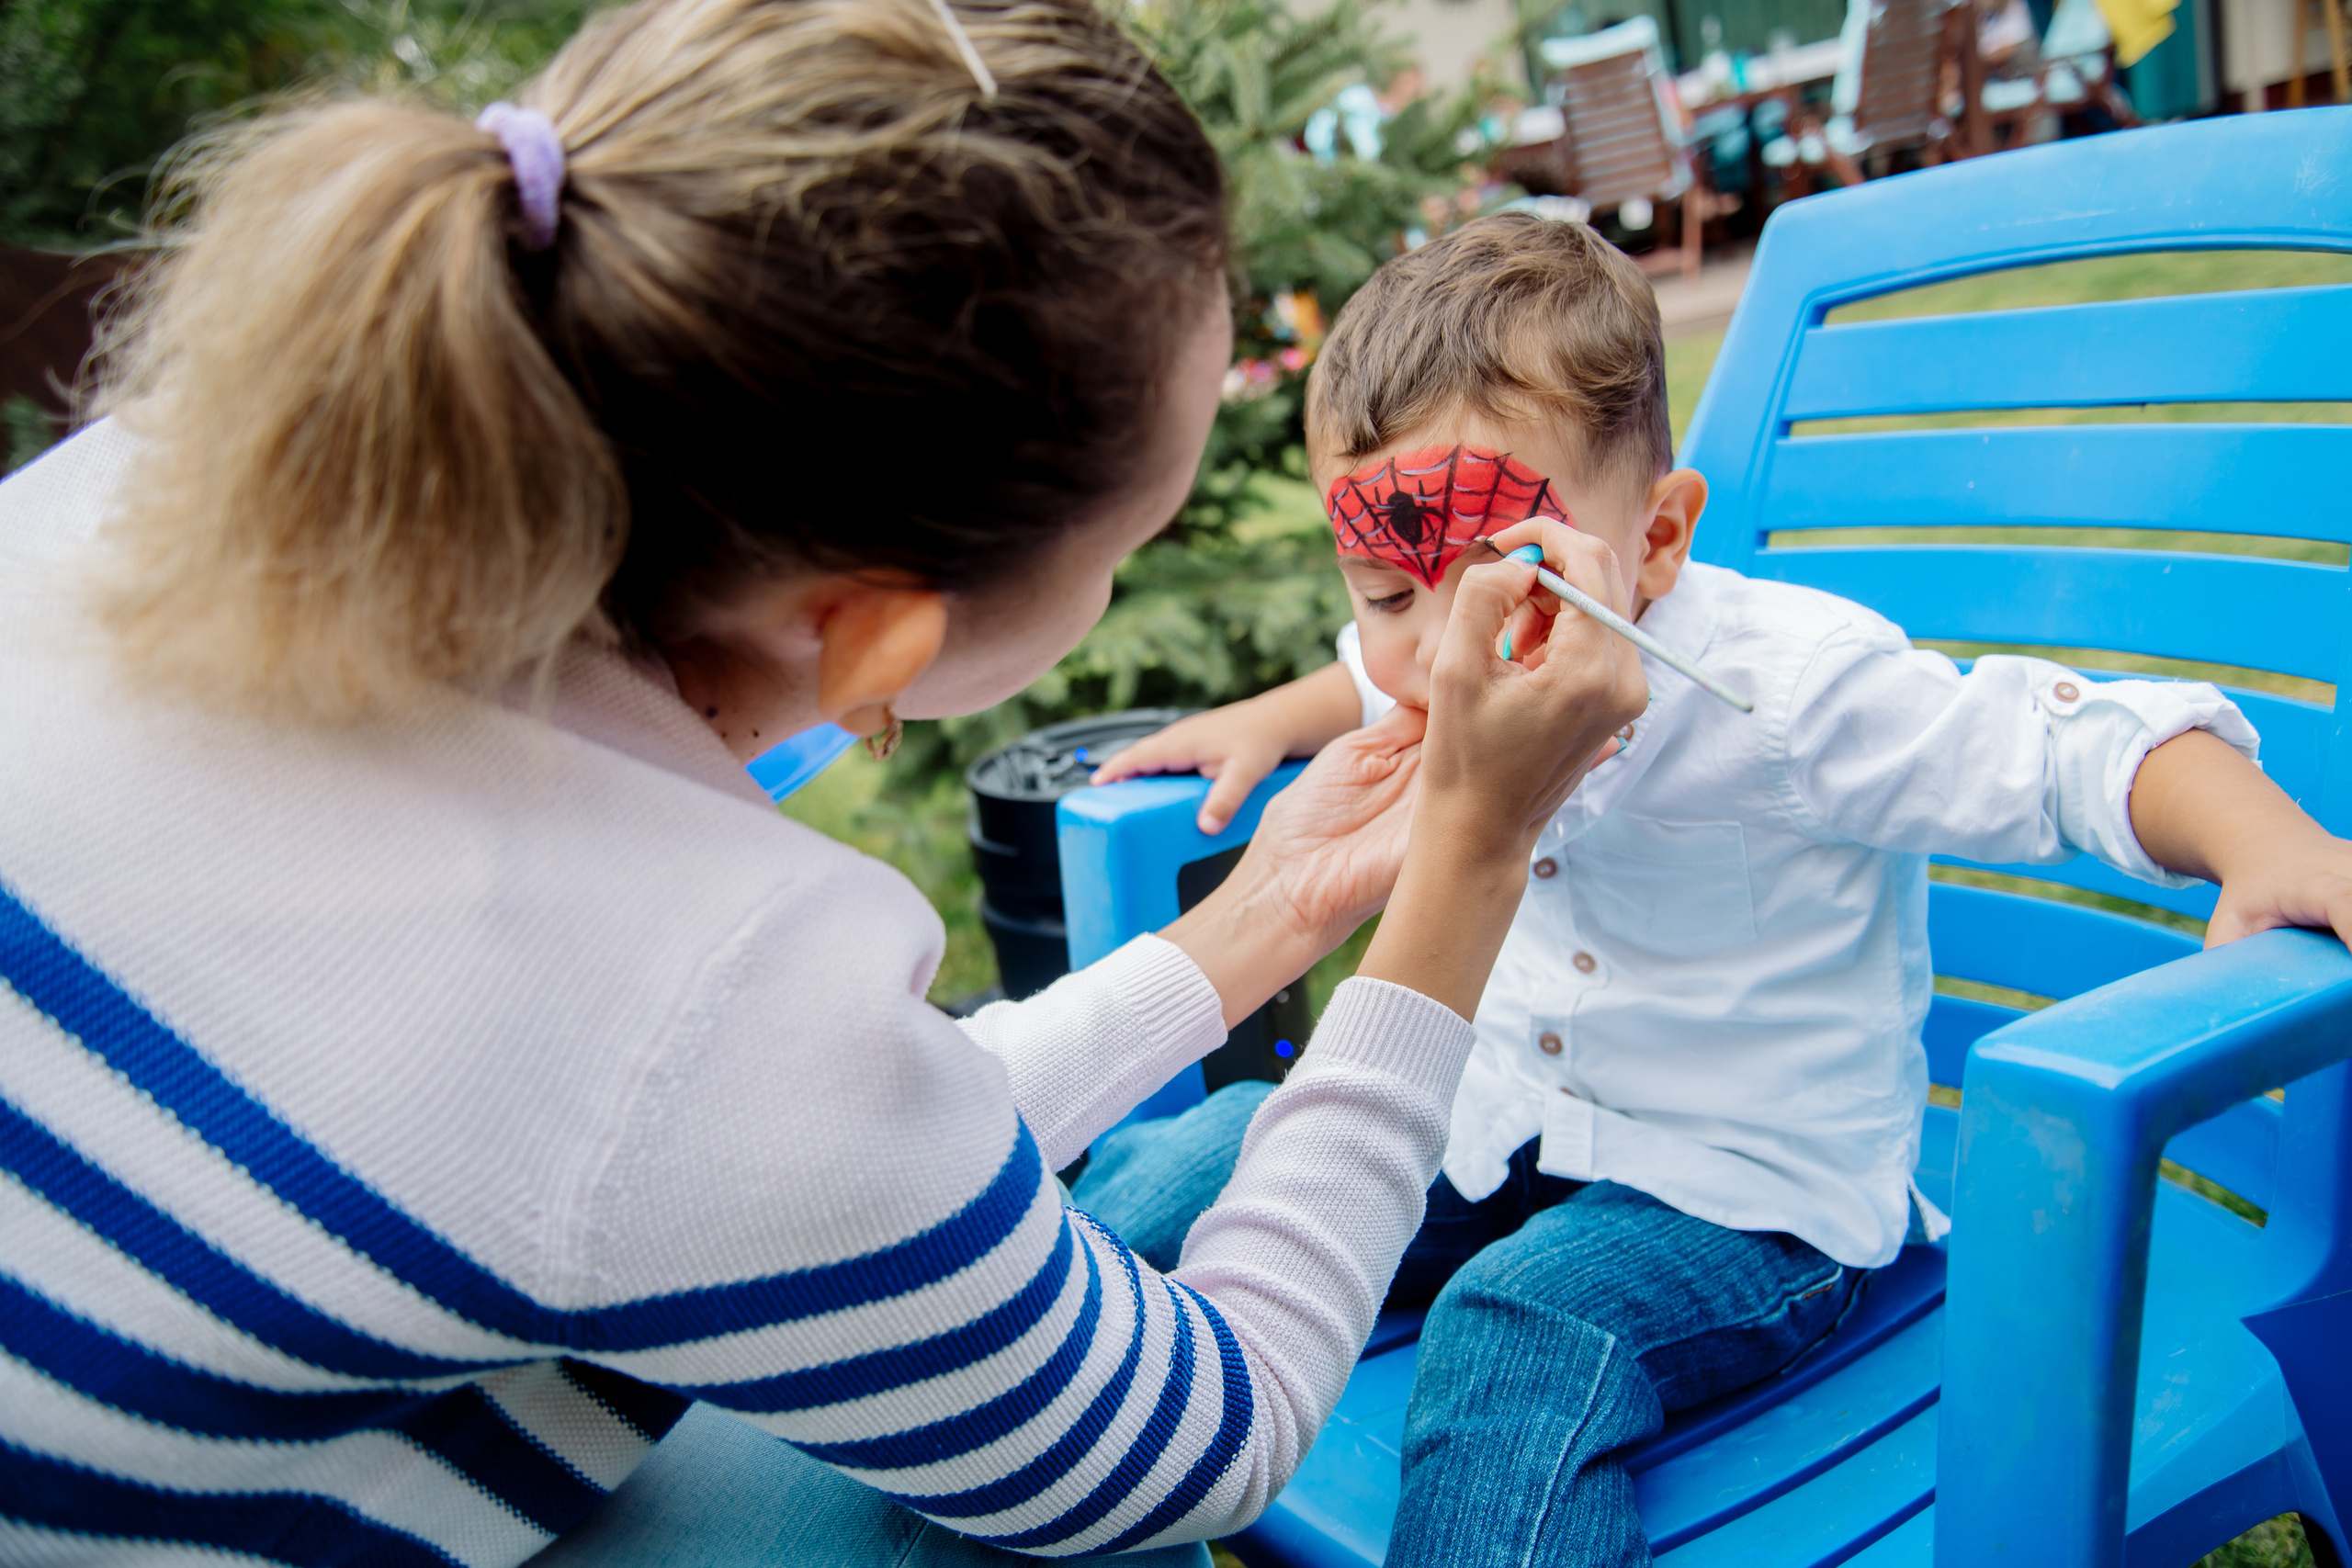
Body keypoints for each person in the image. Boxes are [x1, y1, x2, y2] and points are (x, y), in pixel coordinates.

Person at [0, 9, 1651, 1566]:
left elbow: (741, 1165)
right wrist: (1469, 858)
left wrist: (1268, 915)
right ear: (871, 638)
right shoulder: (694, 979)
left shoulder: (159, 483)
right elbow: (1195, 1444)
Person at [1080, 211, 2352, 1566]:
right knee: (1218, 1155)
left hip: (1750, 1192)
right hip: (1500, 1121)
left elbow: (2063, 746)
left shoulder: (1788, 691)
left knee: (1521, 1326)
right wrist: (1277, 718)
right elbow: (1365, 655)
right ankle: (958, 1460)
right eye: (1391, 591)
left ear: (1663, 538)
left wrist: (2261, 839)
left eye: (1498, 583)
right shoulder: (1428, 635)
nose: (1438, 651)